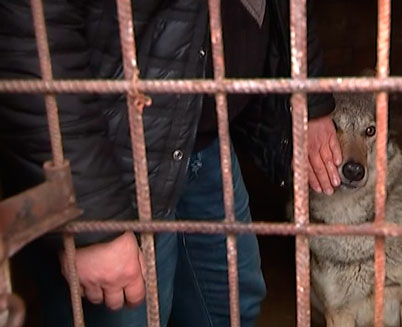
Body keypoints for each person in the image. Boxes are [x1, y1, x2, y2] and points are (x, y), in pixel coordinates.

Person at [0, 0, 340, 326]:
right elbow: (31, 36)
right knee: (129, 314)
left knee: (233, 307)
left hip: (204, 141)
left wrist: (307, 98)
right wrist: (93, 220)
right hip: (111, 161)